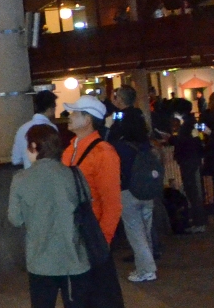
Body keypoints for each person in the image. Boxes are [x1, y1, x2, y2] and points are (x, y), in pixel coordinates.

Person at [8, 124, 89, 308]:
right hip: (75, 258)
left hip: (41, 261)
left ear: (34, 146)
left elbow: (15, 219)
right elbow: (86, 204)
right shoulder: (74, 174)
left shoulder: (20, 179)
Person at [105, 87, 157, 283]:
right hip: (146, 185)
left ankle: (146, 269)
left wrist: (109, 127)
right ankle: (147, 265)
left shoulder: (118, 136)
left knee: (135, 232)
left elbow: (107, 144)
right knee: (146, 228)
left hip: (128, 186)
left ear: (119, 100)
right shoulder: (142, 131)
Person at [60, 98, 120, 249]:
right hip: (71, 233)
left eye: (75, 113)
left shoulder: (104, 153)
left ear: (87, 120)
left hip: (89, 234)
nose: (70, 116)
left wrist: (102, 242)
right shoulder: (70, 149)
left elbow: (112, 204)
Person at [166, 114, 207, 234]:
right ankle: (199, 221)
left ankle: (199, 222)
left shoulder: (185, 130)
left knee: (193, 192)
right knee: (194, 192)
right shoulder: (191, 129)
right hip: (192, 162)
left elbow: (181, 143)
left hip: (187, 162)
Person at [13, 90, 58, 168]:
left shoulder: (22, 129)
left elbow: (16, 160)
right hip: (49, 171)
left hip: (28, 172)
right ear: (50, 108)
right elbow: (56, 156)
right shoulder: (51, 128)